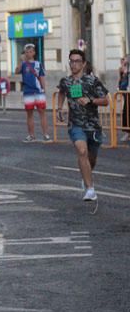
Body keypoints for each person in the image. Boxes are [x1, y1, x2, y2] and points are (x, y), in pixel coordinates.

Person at [56, 49, 109, 201]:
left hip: (93, 126)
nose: (74, 64)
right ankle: (90, 189)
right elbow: (61, 92)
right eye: (71, 61)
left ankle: (86, 175)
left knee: (91, 159)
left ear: (84, 63)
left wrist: (90, 100)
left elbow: (105, 100)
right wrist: (60, 108)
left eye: (77, 61)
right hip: (76, 124)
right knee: (81, 150)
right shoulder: (65, 81)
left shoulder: (92, 81)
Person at [15, 43, 51, 142]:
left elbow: (42, 77)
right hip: (28, 92)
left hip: (38, 91)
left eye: (31, 51)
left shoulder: (38, 64)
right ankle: (31, 135)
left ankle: (46, 134)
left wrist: (44, 90)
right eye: (27, 52)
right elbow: (16, 71)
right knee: (29, 114)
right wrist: (20, 60)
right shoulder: (23, 64)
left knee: (42, 113)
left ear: (34, 52)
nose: (29, 54)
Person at [119, 56, 130, 142]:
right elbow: (123, 72)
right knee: (126, 112)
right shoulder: (126, 67)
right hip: (128, 91)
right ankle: (127, 132)